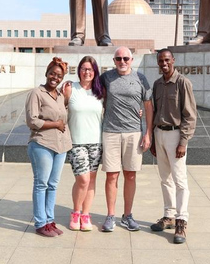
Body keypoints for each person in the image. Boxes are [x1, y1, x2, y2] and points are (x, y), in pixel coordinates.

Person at [99, 46, 153, 232]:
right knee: (111, 175)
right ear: (114, 61)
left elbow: (148, 106)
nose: (122, 62)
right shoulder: (106, 78)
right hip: (111, 132)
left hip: (133, 133)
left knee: (130, 174)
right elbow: (90, 90)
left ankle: (127, 215)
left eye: (126, 59)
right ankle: (110, 216)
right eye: (118, 58)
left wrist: (148, 133)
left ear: (132, 60)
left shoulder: (140, 78)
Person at [149, 49, 197, 244]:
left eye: (167, 60)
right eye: (160, 61)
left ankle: (181, 220)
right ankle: (168, 215)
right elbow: (155, 111)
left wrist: (183, 142)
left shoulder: (182, 83)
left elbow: (190, 116)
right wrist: (152, 139)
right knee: (164, 178)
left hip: (176, 136)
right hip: (159, 134)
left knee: (180, 180)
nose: (164, 63)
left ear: (173, 61)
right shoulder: (157, 84)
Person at [25, 57, 72, 237]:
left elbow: (63, 117)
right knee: (41, 184)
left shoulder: (60, 96)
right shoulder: (37, 93)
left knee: (53, 185)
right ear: (46, 73)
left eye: (59, 75)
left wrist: (67, 99)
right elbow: (32, 120)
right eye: (52, 73)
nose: (55, 77)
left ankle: (50, 221)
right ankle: (40, 223)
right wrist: (55, 125)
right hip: (42, 143)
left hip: (60, 146)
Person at [63, 56, 104, 231]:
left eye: (90, 69)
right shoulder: (71, 88)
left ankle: (86, 215)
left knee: (92, 180)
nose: (87, 72)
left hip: (96, 142)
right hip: (76, 142)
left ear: (95, 72)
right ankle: (76, 212)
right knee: (83, 179)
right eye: (84, 68)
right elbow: (60, 108)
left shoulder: (101, 91)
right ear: (79, 70)